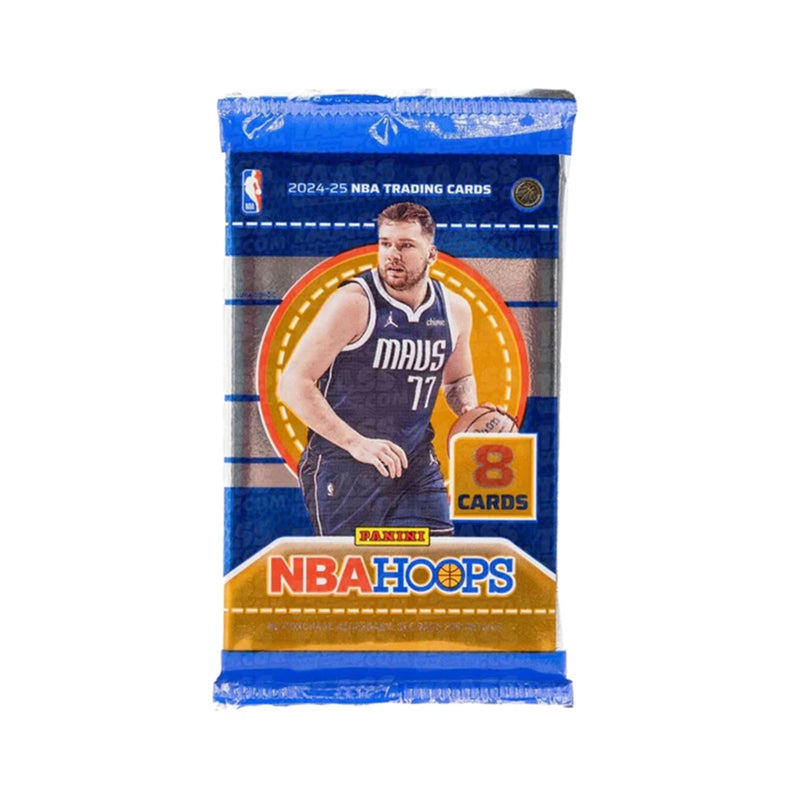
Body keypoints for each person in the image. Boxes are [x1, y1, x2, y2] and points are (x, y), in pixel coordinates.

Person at [278, 202, 480, 536]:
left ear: (432, 255)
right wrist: (356, 443)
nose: (392, 255)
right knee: (359, 566)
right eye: (385, 243)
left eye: (406, 245)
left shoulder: (455, 310)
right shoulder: (353, 303)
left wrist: (473, 412)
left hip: (415, 462)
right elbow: (293, 383)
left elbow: (458, 379)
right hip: (344, 462)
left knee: (432, 560)